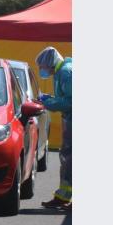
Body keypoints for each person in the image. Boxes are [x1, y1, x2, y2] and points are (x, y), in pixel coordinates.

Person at [35, 46, 72, 211]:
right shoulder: (61, 71)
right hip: (69, 119)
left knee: (70, 160)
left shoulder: (65, 73)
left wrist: (47, 103)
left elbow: (71, 101)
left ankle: (64, 197)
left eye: (42, 67)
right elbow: (65, 97)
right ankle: (63, 197)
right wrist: (51, 98)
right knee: (67, 159)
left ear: (50, 64)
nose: (41, 70)